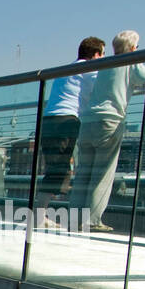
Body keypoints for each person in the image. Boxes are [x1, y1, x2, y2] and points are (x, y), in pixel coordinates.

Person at [71, 30, 145, 233]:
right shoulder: (132, 60)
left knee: (83, 172)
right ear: (134, 47)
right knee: (102, 174)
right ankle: (92, 221)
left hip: (88, 121)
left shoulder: (105, 64)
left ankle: (74, 219)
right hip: (109, 121)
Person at [36, 36, 103, 225]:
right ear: (96, 54)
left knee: (56, 167)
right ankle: (38, 216)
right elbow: (105, 85)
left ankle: (41, 214)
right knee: (59, 169)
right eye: (103, 55)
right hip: (66, 120)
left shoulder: (67, 70)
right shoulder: (89, 70)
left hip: (49, 119)